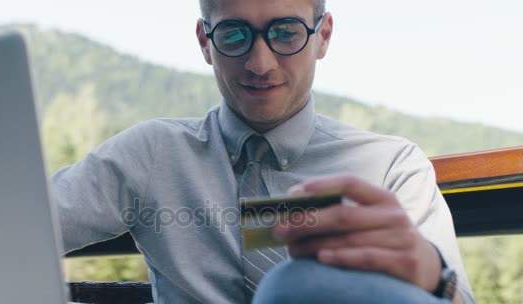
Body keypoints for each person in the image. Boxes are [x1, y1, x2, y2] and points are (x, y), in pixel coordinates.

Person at [51, 0, 475, 303]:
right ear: (204, 41)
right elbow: (16, 225)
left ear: (322, 36)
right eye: (233, 34)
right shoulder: (152, 154)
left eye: (285, 33)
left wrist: (436, 277)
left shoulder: (390, 168)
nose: (260, 63)